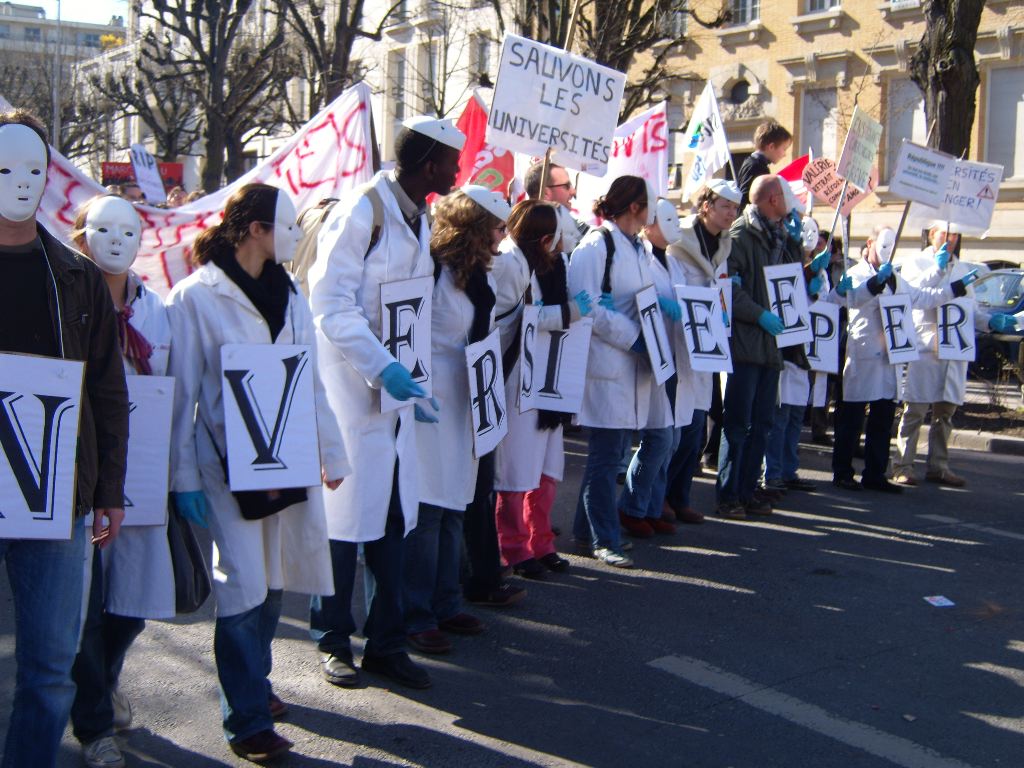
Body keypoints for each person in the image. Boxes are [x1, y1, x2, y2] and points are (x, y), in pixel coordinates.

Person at [166, 183, 349, 763]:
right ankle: (244, 719)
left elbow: (310, 378)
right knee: (242, 588)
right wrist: (184, 478)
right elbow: (182, 394)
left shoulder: (291, 291)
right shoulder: (196, 297)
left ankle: (256, 684)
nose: (297, 235)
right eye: (287, 225)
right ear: (254, 229)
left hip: (286, 456)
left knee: (273, 583)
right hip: (225, 466)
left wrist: (332, 452)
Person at [307, 115, 465, 691]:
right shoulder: (362, 212)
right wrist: (384, 368)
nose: (458, 170)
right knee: (347, 525)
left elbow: (410, 306)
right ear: (429, 163)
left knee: (395, 522)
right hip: (351, 397)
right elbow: (329, 305)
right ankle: (332, 640)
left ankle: (386, 642)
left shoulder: (418, 217)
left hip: (395, 403)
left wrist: (412, 379)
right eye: (453, 161)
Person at [0, 110, 129, 768]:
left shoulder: (75, 276)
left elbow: (107, 389)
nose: (18, 182)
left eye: (30, 168)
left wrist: (109, 489)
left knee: (50, 669)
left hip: (57, 499)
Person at [68, 195, 175, 768]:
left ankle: (102, 686)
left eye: (127, 229)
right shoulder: (62, 299)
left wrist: (178, 474)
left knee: (130, 604)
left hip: (141, 474)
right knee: (83, 605)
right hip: (79, 473)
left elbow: (173, 384)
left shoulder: (156, 309)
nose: (115, 240)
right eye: (101, 229)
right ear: (80, 236)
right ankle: (93, 723)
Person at [403, 186, 509, 655]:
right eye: (497, 228)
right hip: (428, 397)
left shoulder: (476, 274)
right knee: (427, 509)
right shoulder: (427, 267)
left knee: (454, 506)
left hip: (467, 398)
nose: (503, 238)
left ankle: (448, 602)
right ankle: (415, 612)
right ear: (475, 225)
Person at [829, 225, 975, 494]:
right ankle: (843, 472)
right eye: (881, 244)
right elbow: (848, 299)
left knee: (883, 419)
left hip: (890, 357)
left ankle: (875, 474)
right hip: (864, 356)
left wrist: (954, 287)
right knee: (851, 418)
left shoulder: (895, 277)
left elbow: (920, 298)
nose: (886, 249)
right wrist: (874, 284)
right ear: (870, 243)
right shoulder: (856, 273)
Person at [568, 175, 668, 568]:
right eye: (651, 205)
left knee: (611, 455)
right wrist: (632, 335)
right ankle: (604, 538)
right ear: (634, 208)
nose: (655, 212)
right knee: (606, 460)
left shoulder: (637, 248)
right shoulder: (597, 244)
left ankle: (584, 528)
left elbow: (640, 298)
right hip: (608, 366)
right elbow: (585, 304)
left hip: (632, 367)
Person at [492, 200, 591, 578]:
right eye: (559, 239)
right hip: (519, 378)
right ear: (545, 238)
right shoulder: (508, 263)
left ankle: (540, 541)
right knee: (517, 469)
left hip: (551, 379)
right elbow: (514, 321)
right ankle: (513, 549)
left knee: (548, 467)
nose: (564, 246)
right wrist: (567, 312)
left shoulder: (551, 264)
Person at [717, 175, 816, 519]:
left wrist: (799, 249)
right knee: (738, 423)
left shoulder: (779, 237)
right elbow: (730, 288)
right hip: (747, 344)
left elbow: (789, 282)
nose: (790, 200)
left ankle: (748, 489)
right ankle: (729, 493)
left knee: (762, 423)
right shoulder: (741, 236)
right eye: (786, 194)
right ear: (773, 199)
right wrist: (759, 315)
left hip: (772, 347)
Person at [890, 225, 1015, 487]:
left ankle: (938, 466)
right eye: (945, 234)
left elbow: (970, 309)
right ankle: (903, 464)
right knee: (915, 409)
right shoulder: (916, 263)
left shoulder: (962, 269)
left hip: (955, 350)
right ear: (932, 233)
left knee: (945, 413)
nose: (951, 239)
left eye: (955, 235)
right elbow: (915, 298)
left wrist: (991, 322)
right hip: (927, 349)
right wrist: (936, 270)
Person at [665, 180, 740, 522]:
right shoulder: (679, 241)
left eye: (735, 208)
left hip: (707, 344)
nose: (732, 214)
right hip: (681, 341)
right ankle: (660, 498)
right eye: (726, 206)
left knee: (696, 426)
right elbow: (673, 286)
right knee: (675, 430)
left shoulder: (723, 246)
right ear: (707, 205)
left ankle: (680, 498)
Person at [618, 197, 684, 538]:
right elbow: (634, 296)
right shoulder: (640, 257)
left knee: (667, 437)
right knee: (658, 435)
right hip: (648, 355)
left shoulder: (672, 261)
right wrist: (660, 303)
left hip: (670, 356)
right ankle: (633, 507)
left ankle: (650, 505)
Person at [523, 160, 589, 238]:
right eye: (566, 186)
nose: (573, 192)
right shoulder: (521, 237)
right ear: (545, 194)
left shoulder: (585, 235)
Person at [736, 120, 793, 210]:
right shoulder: (755, 166)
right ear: (771, 147)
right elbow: (745, 199)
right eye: (784, 149)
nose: (784, 154)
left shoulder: (758, 164)